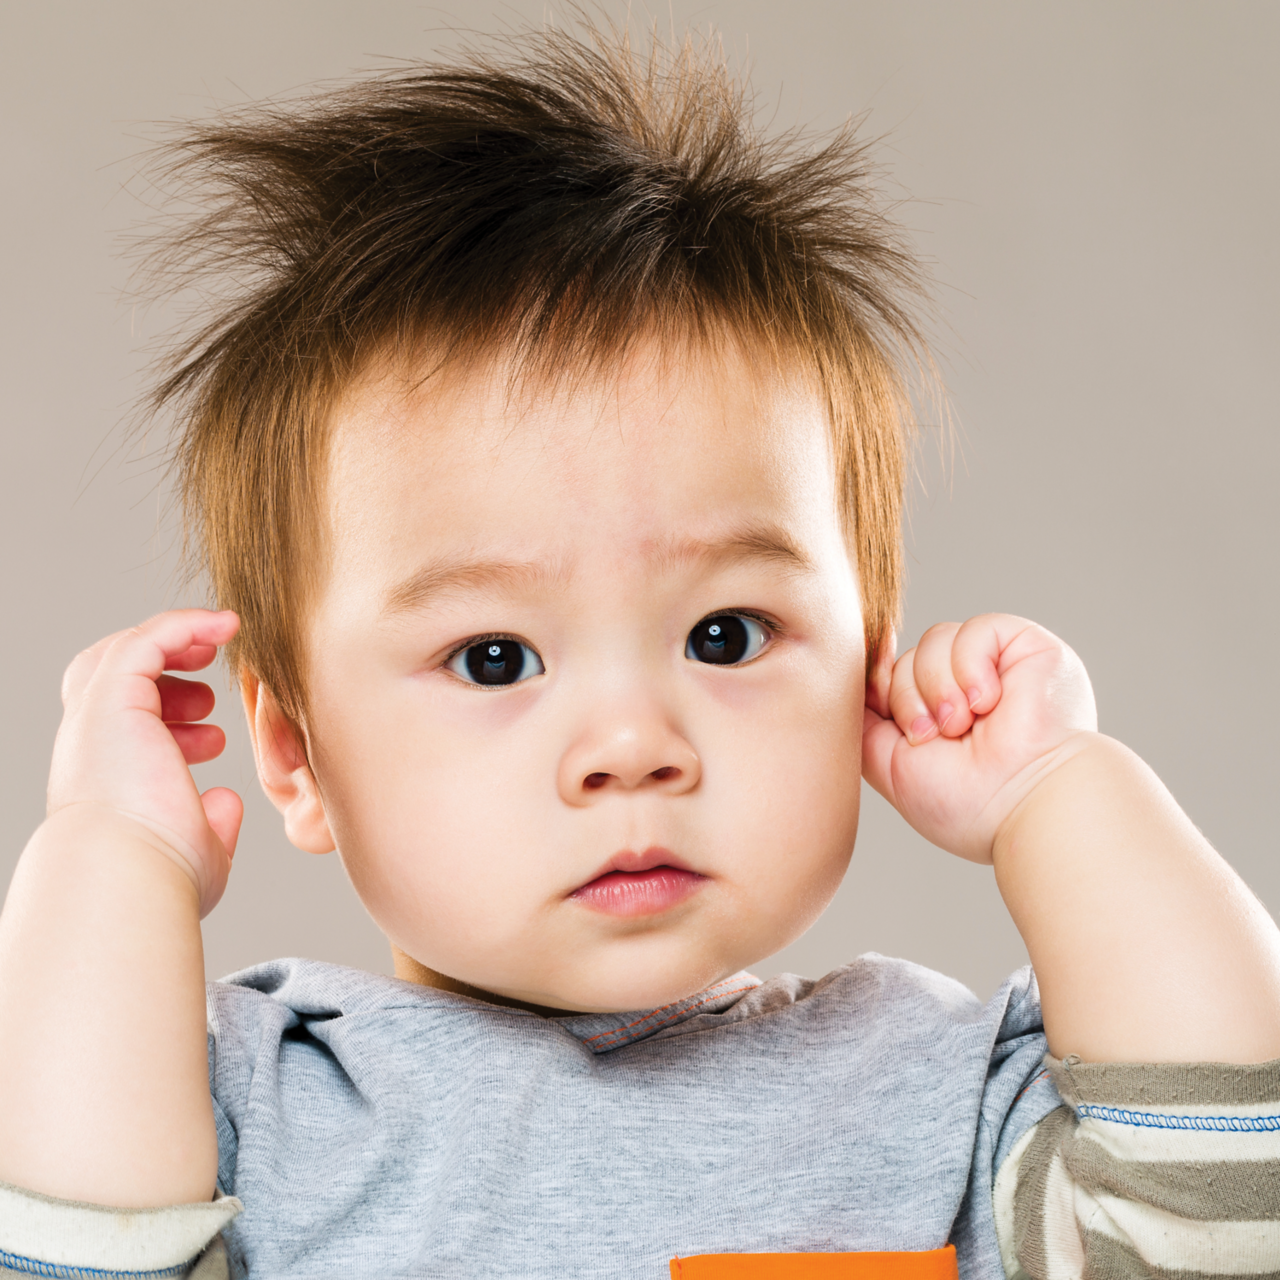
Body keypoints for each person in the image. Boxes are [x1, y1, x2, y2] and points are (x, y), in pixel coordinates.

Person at [0, 21, 1277, 1280]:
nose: (630, 746)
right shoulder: (247, 1110)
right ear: (296, 754)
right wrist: (111, 863)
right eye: (494, 657)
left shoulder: (933, 1098)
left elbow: (1220, 1201)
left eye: (724, 634)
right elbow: (74, 1246)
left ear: (861, 671)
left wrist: (1061, 790)